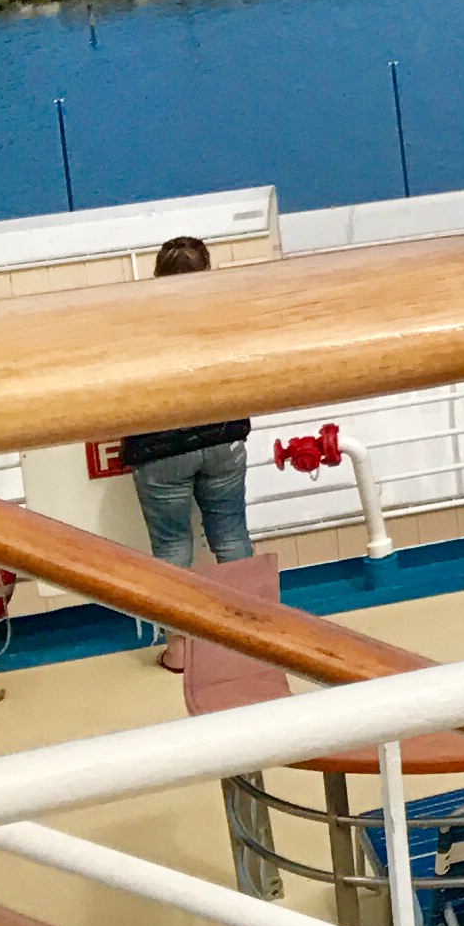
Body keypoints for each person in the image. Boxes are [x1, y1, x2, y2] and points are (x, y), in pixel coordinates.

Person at [123, 234, 255, 673]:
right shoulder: (225, 316)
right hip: (222, 438)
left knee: (172, 546)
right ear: (207, 271)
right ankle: (254, 638)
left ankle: (179, 648)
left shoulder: (134, 322)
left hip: (160, 448)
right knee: (231, 535)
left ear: (157, 274)